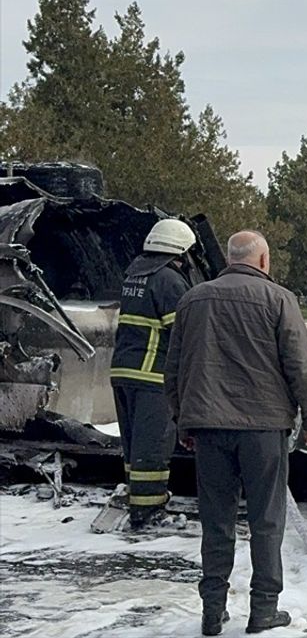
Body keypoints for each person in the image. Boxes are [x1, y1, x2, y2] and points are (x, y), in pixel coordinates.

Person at [164, 231, 307, 636]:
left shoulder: (193, 299)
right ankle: (263, 610)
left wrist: (183, 419)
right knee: (267, 520)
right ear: (264, 259)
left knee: (216, 522)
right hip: (264, 428)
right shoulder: (279, 300)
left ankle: (212, 610)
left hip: (209, 427)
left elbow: (174, 369)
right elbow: (301, 367)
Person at [109, 218, 195, 529]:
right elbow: (182, 333)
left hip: (122, 372)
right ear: (180, 250)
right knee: (153, 445)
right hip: (152, 376)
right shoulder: (169, 280)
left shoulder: (135, 274)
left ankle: (136, 497)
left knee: (133, 446)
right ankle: (147, 513)